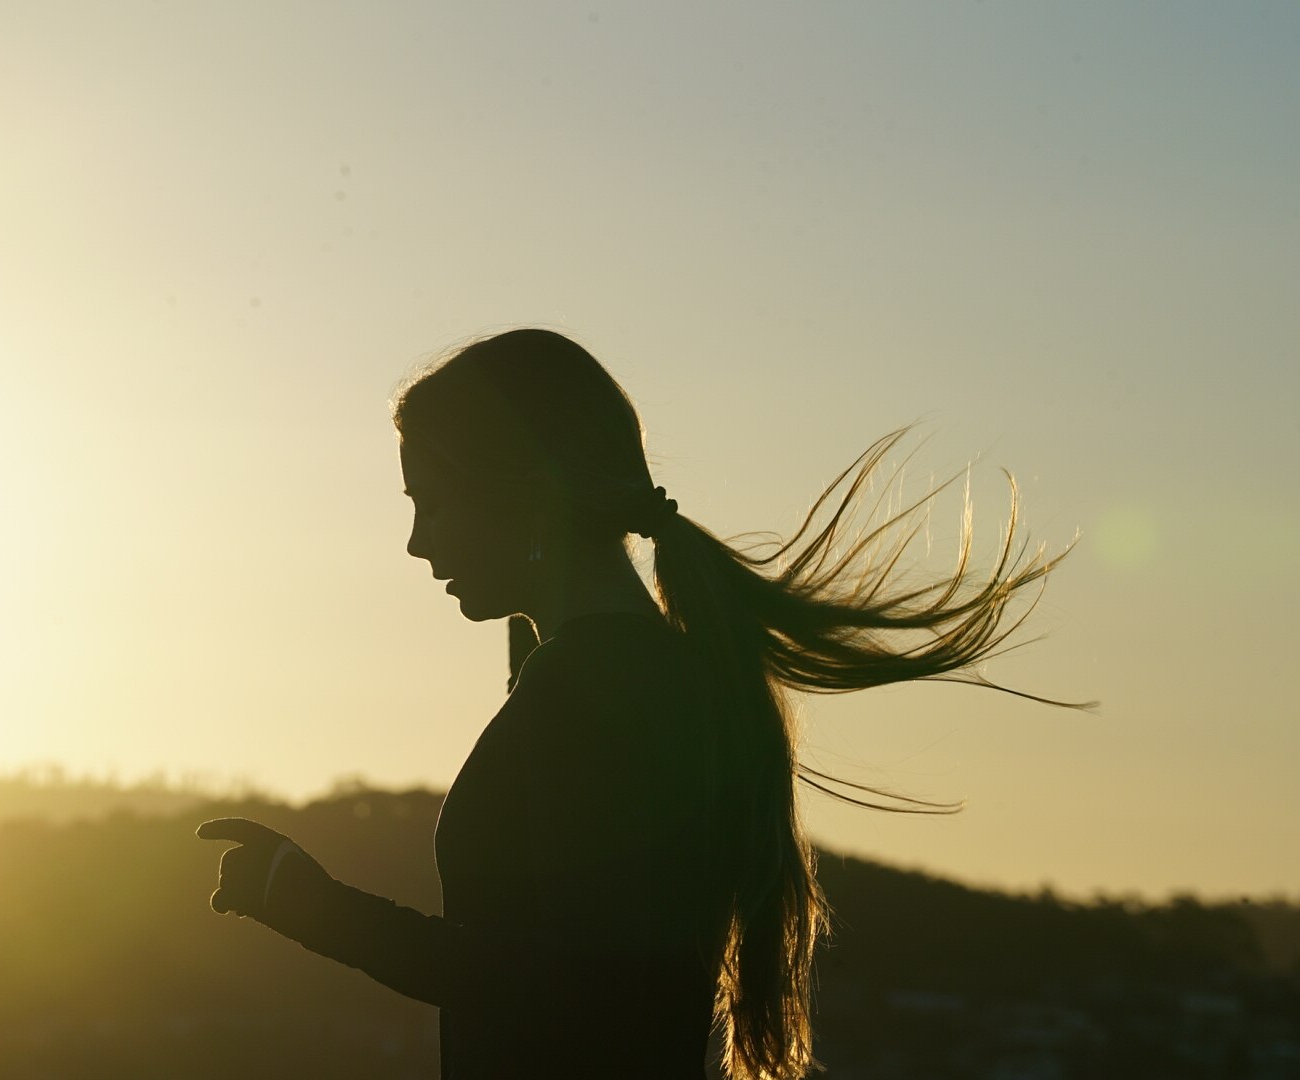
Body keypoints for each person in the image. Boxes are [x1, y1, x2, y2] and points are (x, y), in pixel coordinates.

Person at [197, 328, 1087, 1079]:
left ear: (522, 495)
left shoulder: (605, 689)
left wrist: (309, 903)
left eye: (432, 501)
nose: (416, 540)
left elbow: (564, 984)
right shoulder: (619, 675)